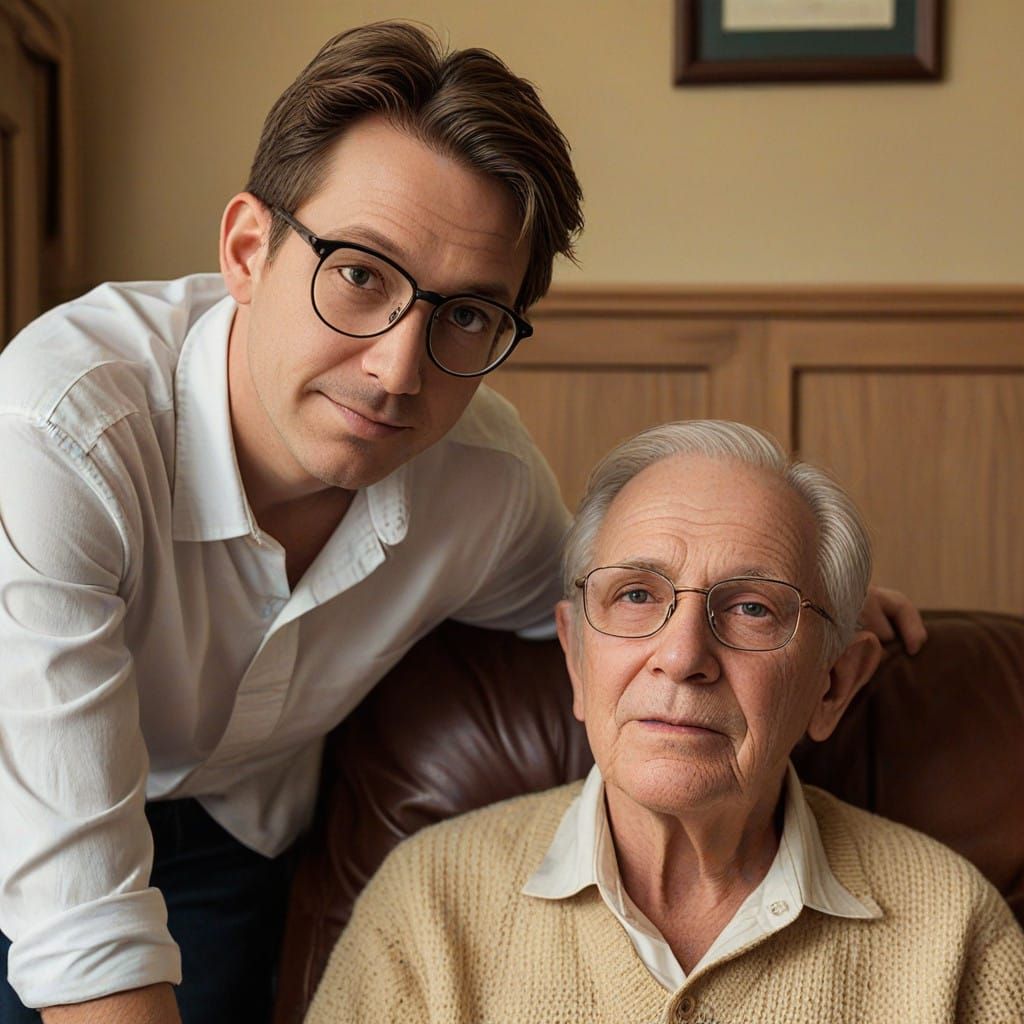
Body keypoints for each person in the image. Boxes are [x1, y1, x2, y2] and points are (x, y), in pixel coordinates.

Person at [0, 21, 923, 1024]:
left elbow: (610, 610)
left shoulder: (481, 481)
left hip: (235, 841)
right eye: (359, 273)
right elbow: (79, 918)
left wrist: (789, 607)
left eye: (467, 315)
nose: (399, 369)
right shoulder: (60, 435)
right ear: (247, 250)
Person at [305, 421, 1023, 1024]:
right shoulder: (430, 904)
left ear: (832, 685)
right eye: (637, 595)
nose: (681, 657)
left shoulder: (955, 931)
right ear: (578, 661)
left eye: (752, 607)